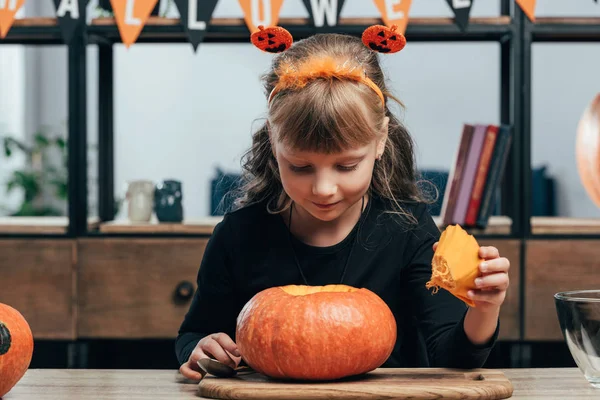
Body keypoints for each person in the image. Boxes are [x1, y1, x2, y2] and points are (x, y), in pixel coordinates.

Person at [176, 26, 510, 381]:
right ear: (274, 144)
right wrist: (201, 347)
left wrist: (485, 308)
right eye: (301, 167)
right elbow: (193, 333)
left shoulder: (408, 231)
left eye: (346, 166)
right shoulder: (238, 236)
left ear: (380, 141)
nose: (323, 188)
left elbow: (453, 357)